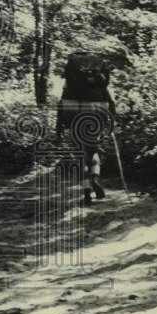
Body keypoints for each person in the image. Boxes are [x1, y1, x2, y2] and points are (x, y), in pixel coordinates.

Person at [55, 52, 117, 205]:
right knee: (93, 151)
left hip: (73, 113)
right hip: (96, 111)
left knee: (80, 155)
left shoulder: (71, 82)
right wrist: (112, 121)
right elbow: (111, 102)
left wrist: (59, 126)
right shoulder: (99, 82)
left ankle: (86, 190)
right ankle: (95, 179)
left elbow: (61, 104)